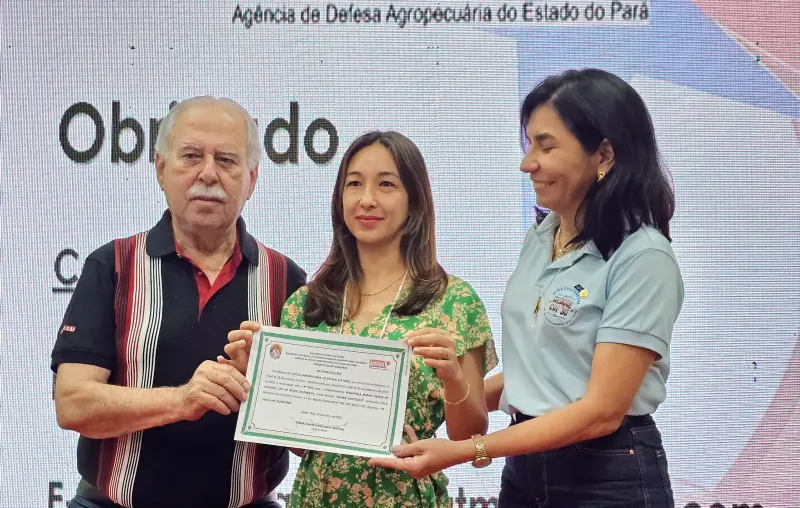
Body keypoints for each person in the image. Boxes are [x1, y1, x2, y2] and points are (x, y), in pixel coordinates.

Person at [370, 69, 684, 508]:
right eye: (529, 144)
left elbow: (600, 412)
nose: (527, 162)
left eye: (545, 145)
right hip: (526, 469)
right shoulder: (542, 237)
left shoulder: (642, 256)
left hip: (606, 475)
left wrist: (467, 449)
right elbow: (539, 374)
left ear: (605, 155)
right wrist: (456, 394)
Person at [51, 96, 306, 508]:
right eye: (191, 156)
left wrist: (267, 386)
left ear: (252, 179)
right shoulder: (113, 266)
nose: (208, 173)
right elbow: (73, 404)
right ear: (161, 169)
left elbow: (308, 436)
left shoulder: (287, 281)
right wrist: (182, 400)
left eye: (226, 160)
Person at [224, 131, 497, 507]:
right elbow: (301, 447)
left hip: (408, 498)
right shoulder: (306, 304)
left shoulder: (455, 301)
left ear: (414, 199)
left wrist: (452, 376)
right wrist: (259, 381)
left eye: (386, 184)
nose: (367, 199)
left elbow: (470, 435)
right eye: (354, 184)